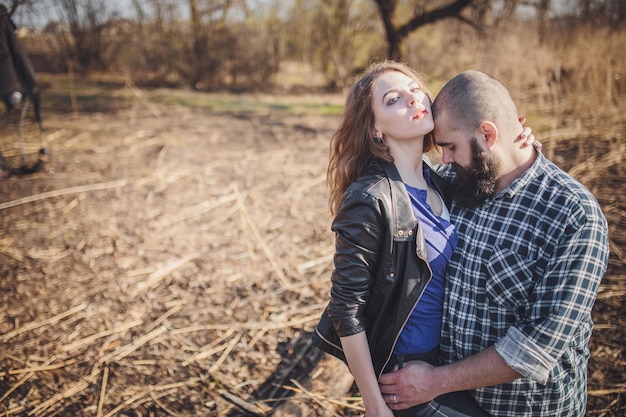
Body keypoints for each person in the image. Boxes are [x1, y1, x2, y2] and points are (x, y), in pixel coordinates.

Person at [378, 70, 610, 417]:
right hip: (452, 399)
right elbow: (396, 171)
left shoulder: (572, 215)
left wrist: (434, 382)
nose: (444, 160)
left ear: (488, 134)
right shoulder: (460, 184)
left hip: (524, 408)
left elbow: (535, 347)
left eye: (451, 147)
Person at [311, 61, 535, 417]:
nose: (414, 100)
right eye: (393, 100)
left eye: (416, 90)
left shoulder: (442, 182)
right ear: (375, 130)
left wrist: (514, 141)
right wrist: (374, 404)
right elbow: (345, 307)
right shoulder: (370, 197)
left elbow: (493, 167)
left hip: (445, 363)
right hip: (404, 373)